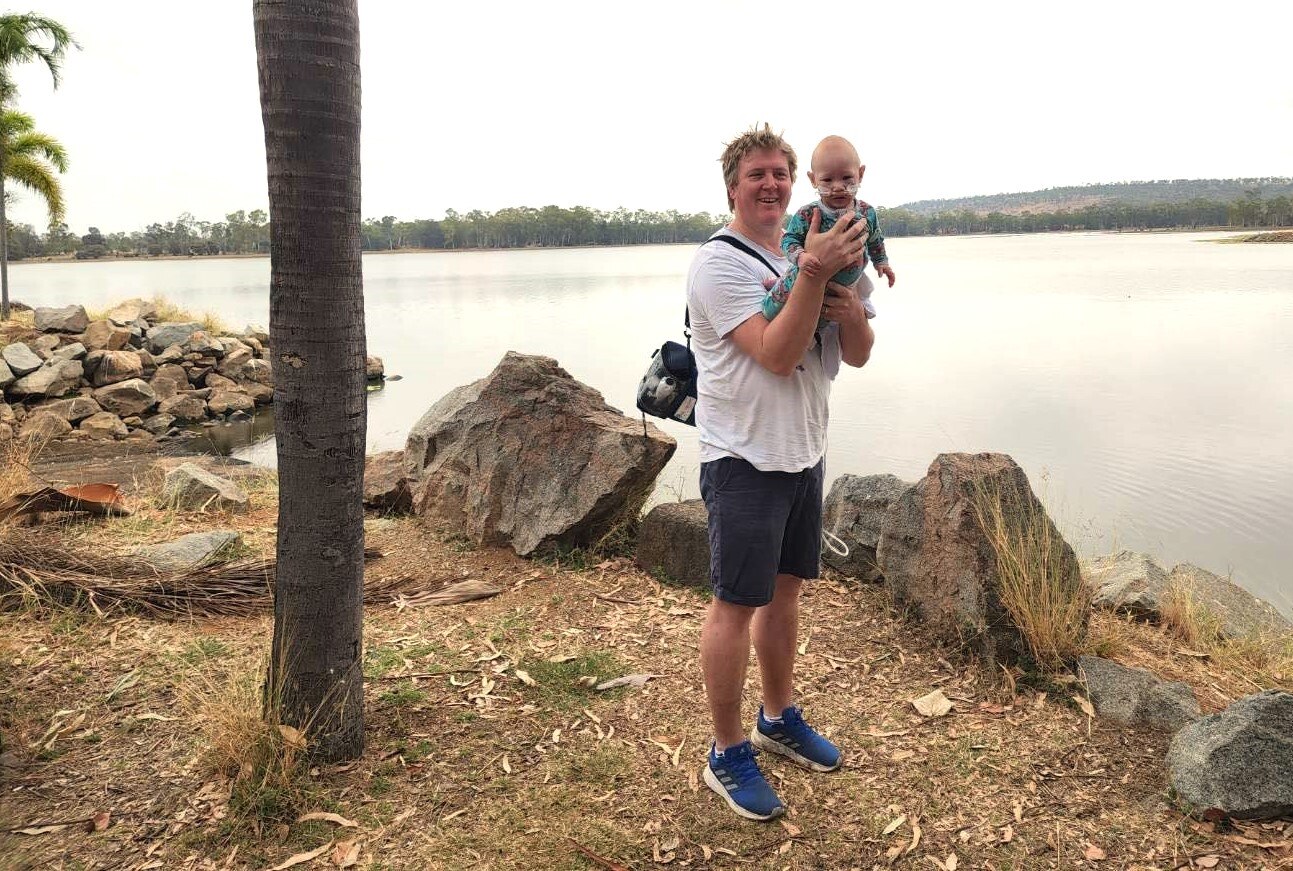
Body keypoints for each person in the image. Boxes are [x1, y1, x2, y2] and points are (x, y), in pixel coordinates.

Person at [686, 124, 875, 821]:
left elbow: (858, 352)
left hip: (803, 449)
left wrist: (848, 308)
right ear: (732, 187)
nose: (770, 184)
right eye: (756, 174)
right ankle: (727, 750)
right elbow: (773, 352)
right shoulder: (719, 265)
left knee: (785, 592)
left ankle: (776, 715)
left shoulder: (805, 247)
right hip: (743, 457)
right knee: (735, 604)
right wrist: (815, 276)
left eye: (779, 174)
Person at [762, 135, 896, 323]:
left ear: (860, 174)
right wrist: (801, 256)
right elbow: (788, 240)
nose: (838, 187)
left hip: (846, 284)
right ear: (813, 180)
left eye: (847, 178)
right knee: (769, 311)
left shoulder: (867, 213)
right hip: (806, 277)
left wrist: (881, 262)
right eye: (827, 180)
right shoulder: (808, 214)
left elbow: (875, 240)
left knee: (831, 321)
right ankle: (778, 285)